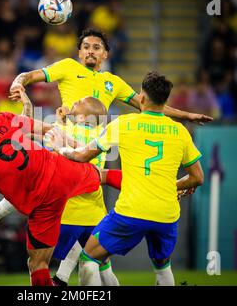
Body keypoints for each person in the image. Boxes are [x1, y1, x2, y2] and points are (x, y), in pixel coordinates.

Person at [46, 71, 204, 286]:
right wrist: (175, 186)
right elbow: (197, 177)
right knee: (162, 267)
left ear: (142, 98)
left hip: (131, 212)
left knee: (88, 258)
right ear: (165, 100)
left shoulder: (124, 124)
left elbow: (82, 156)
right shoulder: (180, 131)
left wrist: (60, 148)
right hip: (166, 214)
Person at [0, 87, 105, 286]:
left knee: (38, 265)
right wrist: (76, 148)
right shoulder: (2, 119)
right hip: (62, 179)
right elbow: (40, 129)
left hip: (39, 204)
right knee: (103, 176)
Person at [9, 28, 213, 126]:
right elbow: (29, 75)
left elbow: (150, 106)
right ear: (79, 53)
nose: (90, 51)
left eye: (96, 48)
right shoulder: (67, 66)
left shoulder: (113, 82)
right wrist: (18, 82)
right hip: (65, 134)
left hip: (97, 143)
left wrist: (188, 116)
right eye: (86, 47)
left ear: (105, 54)